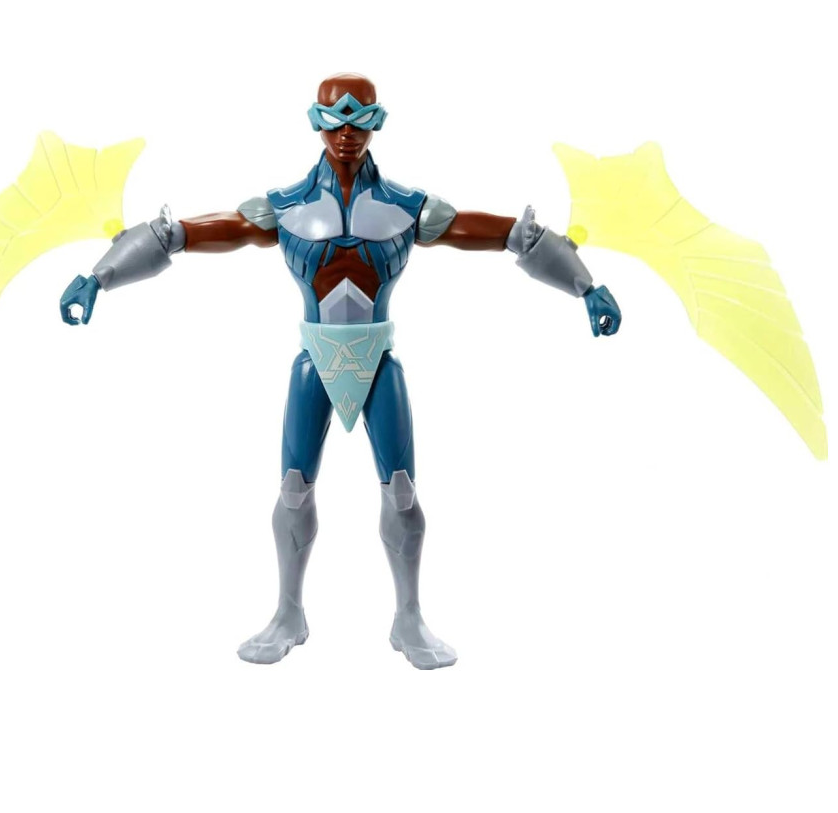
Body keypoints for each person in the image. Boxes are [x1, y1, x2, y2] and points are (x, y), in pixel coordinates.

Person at [60, 73, 621, 669]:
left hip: (378, 363)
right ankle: (288, 613)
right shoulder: (285, 208)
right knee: (293, 487)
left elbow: (508, 234)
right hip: (315, 361)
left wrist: (586, 285)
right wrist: (100, 276)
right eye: (336, 120)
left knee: (401, 490)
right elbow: (188, 234)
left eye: (358, 120)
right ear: (317, 123)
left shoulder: (408, 209)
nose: (347, 133)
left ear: (376, 123)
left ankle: (408, 618)